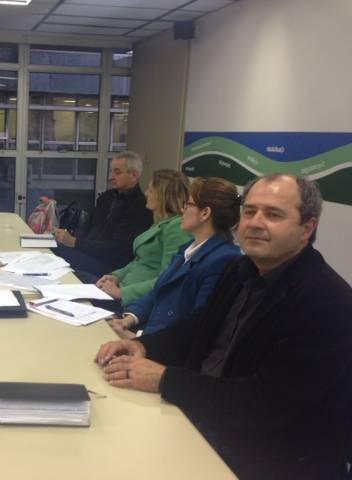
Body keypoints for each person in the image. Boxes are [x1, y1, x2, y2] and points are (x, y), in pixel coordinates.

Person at [95, 173, 352, 478]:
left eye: (273, 214)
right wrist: (142, 345)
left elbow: (265, 403)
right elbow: (198, 326)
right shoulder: (241, 269)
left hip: (269, 460)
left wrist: (164, 379)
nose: (255, 222)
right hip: (206, 423)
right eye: (250, 211)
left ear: (307, 228)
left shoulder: (327, 303)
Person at [110, 177, 242, 338]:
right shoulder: (187, 249)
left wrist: (138, 338)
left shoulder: (223, 260)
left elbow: (196, 324)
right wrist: (129, 319)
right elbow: (158, 291)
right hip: (150, 335)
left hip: (162, 345)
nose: (182, 209)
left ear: (205, 213)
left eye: (188, 204)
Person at [96, 169, 192, 307]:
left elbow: (167, 279)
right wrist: (116, 276)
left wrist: (121, 293)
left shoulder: (176, 227)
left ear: (164, 196)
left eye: (150, 190)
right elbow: (139, 262)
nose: (146, 193)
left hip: (136, 301)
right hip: (124, 288)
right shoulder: (160, 223)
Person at [53, 151, 153, 278]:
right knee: (52, 245)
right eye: (111, 172)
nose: (111, 177)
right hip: (88, 252)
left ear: (134, 175)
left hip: (110, 264)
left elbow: (118, 248)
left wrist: (75, 242)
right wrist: (68, 238)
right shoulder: (107, 197)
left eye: (117, 172)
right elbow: (87, 227)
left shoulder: (140, 207)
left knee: (55, 252)